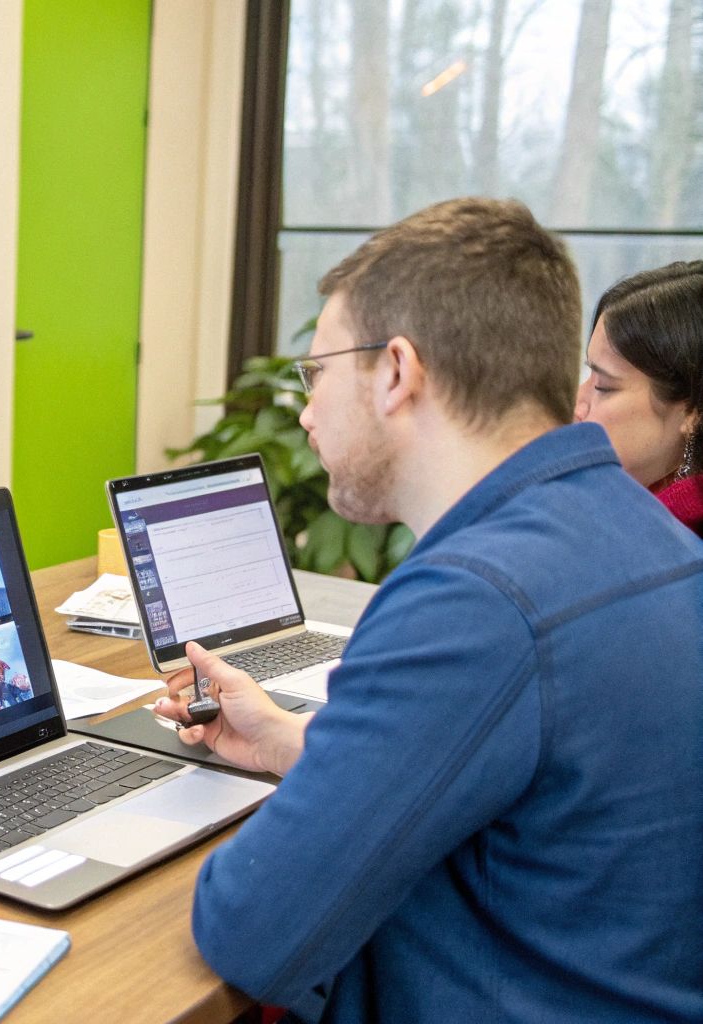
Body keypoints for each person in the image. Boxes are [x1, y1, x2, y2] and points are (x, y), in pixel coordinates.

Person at [150, 199, 702, 1022]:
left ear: (398, 372)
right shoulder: (649, 536)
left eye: (319, 374)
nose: (305, 411)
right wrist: (295, 745)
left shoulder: (476, 598)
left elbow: (249, 930)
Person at [574, 261, 703, 535]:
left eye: (604, 386)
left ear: (693, 410)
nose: (577, 405)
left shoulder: (673, 546)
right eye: (589, 374)